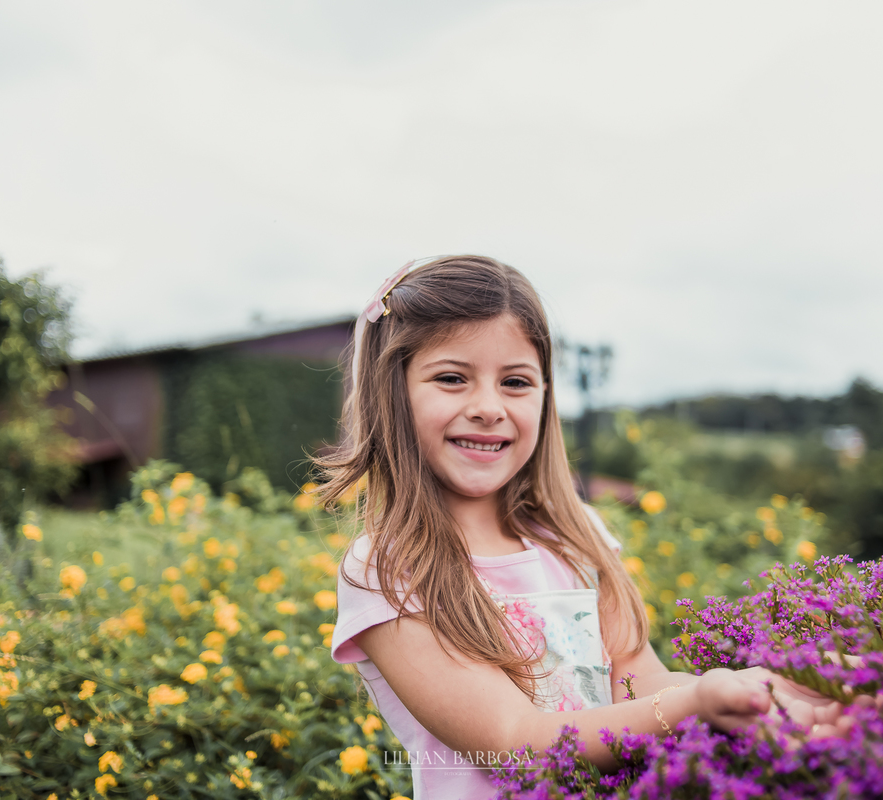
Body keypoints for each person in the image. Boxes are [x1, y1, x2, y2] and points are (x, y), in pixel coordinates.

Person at [320, 256, 849, 800]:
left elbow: (636, 679)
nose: (488, 407)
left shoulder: (574, 537)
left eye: (516, 382)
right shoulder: (389, 569)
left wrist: (754, 689)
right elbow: (513, 743)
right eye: (452, 378)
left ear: (546, 396)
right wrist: (693, 704)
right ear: (393, 393)